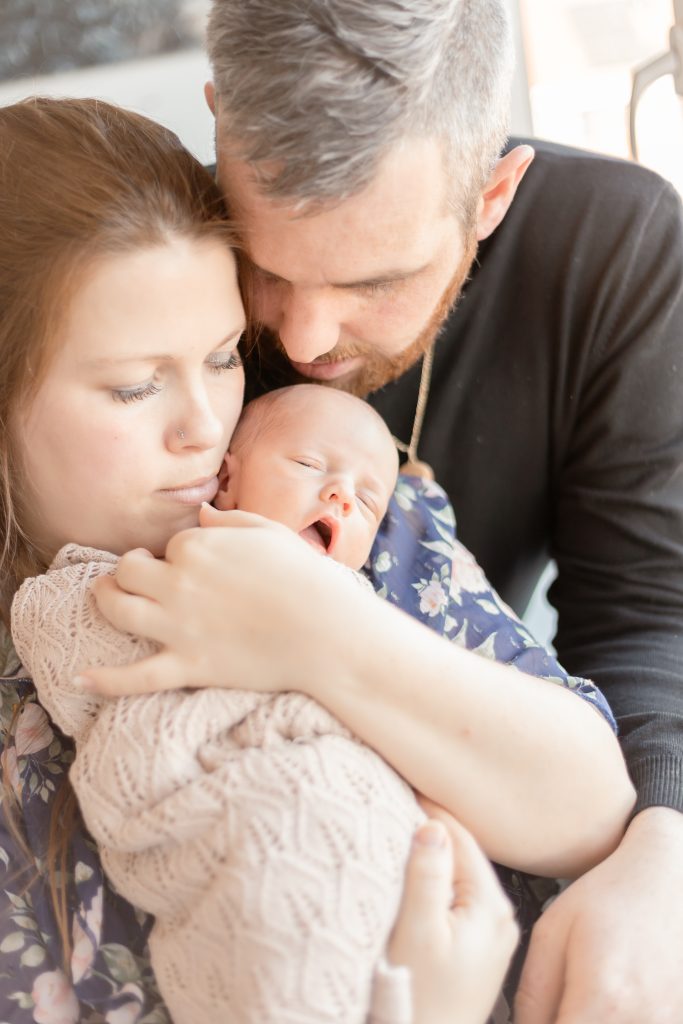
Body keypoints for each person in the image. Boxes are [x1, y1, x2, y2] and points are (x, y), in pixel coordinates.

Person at [80, 2, 683, 1020]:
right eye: (266, 265)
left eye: (376, 281)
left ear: (489, 193)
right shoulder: (154, 264)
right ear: (220, 121)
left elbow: (640, 614)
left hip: (496, 790)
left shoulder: (610, 247)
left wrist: (661, 845)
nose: (305, 335)